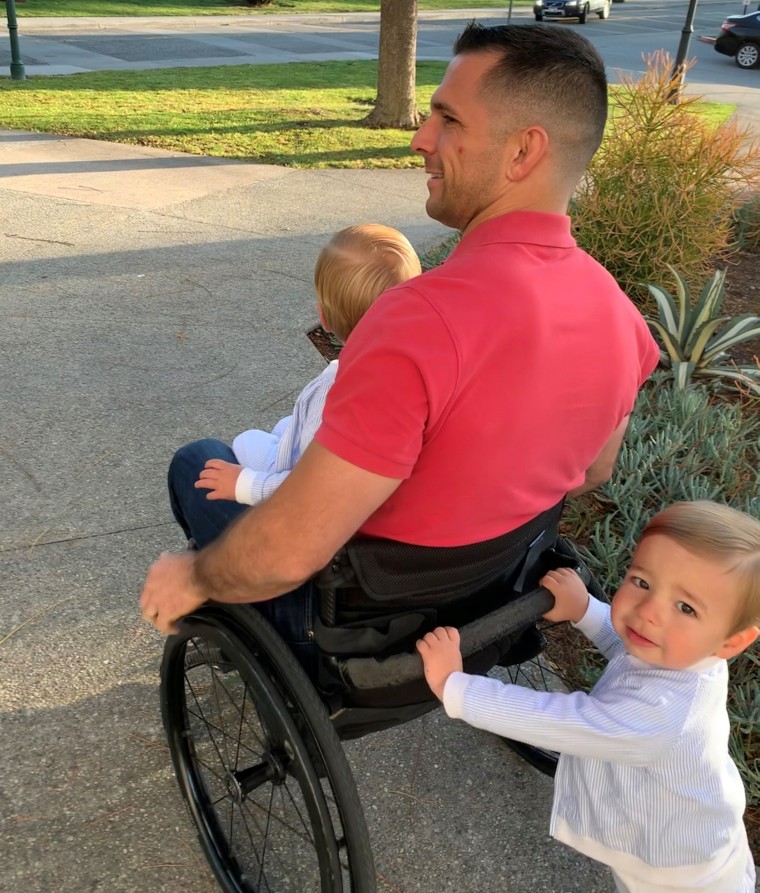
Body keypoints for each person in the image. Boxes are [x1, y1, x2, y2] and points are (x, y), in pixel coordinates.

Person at [140, 24, 660, 664]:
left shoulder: (418, 321)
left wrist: (192, 578)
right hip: (487, 604)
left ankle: (241, 631)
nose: (421, 137)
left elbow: (288, 552)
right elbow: (593, 471)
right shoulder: (620, 317)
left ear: (523, 152)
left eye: (447, 118)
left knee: (197, 461)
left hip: (361, 627)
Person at [416, 501, 760, 893]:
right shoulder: (695, 654)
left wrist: (457, 687)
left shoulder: (660, 717)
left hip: (674, 869)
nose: (649, 612)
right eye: (643, 582)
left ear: (732, 642)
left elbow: (558, 720)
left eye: (685, 607)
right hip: (697, 827)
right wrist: (586, 611)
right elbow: (630, 654)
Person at [168, 224, 422, 550]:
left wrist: (247, 485)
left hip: (309, 542)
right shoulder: (420, 373)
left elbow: (317, 489)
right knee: (275, 432)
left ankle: (211, 570)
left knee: (198, 460)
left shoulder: (339, 389)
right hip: (385, 547)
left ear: (324, 318)